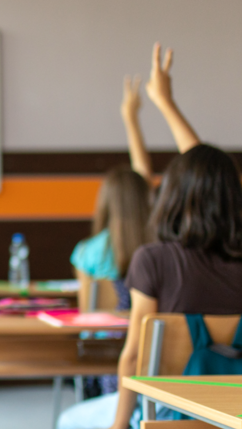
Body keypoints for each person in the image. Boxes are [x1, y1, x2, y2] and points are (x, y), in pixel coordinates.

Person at [58, 43, 242, 429]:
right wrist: (166, 103)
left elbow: (133, 356)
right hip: (230, 412)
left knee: (68, 422)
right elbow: (210, 175)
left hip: (164, 414)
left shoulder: (152, 259)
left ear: (172, 197)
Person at [72, 76, 155, 314]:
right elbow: (143, 179)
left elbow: (87, 313)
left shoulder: (87, 252)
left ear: (105, 203)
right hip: (149, 345)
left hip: (101, 346)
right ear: (144, 198)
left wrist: (129, 118)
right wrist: (131, 119)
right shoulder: (158, 245)